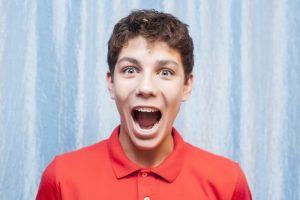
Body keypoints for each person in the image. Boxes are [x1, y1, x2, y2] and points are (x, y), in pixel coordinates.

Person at [36, 9, 252, 199]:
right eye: (130, 70)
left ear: (186, 85)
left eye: (165, 72)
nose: (146, 87)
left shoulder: (227, 182)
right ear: (111, 83)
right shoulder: (62, 178)